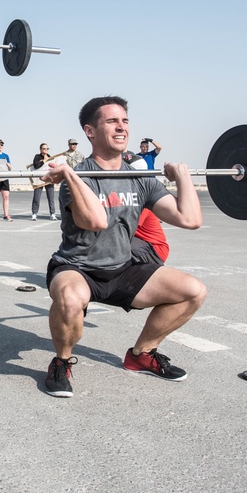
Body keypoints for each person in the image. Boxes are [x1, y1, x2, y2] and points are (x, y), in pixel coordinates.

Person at [41, 96, 205, 398]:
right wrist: (68, 174)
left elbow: (190, 219)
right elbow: (96, 221)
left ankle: (142, 354)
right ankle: (61, 362)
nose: (121, 127)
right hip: (77, 268)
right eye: (112, 121)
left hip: (122, 268)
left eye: (125, 121)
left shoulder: (140, 178)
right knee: (69, 299)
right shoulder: (78, 177)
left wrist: (183, 177)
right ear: (90, 132)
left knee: (193, 291)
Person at [123, 151, 170, 265]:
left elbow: (125, 226)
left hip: (154, 249)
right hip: (141, 244)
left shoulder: (142, 197)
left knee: (114, 243)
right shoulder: (128, 194)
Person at [31, 143, 58, 221]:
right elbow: (36, 165)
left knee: (51, 197)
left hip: (49, 179)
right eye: (44, 148)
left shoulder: (50, 157)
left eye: (47, 148)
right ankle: (34, 213)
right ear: (40, 149)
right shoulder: (37, 157)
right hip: (39, 179)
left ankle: (52, 214)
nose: (45, 150)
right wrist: (43, 161)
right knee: (36, 197)